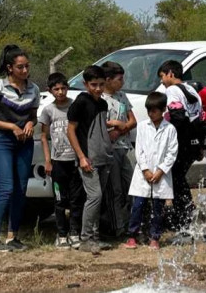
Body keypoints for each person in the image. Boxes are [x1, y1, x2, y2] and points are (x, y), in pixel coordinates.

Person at [0, 45, 41, 255]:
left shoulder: (34, 89)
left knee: (20, 189)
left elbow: (33, 116)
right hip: (1, 141)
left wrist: (32, 124)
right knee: (6, 187)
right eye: (20, 67)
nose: (25, 70)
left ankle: (13, 237)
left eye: (27, 66)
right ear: (10, 68)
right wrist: (12, 127)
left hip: (24, 143)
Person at [66, 65, 113, 253]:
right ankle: (85, 238)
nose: (98, 88)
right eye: (94, 85)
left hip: (103, 157)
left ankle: (95, 238)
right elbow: (70, 130)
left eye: (101, 84)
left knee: (98, 198)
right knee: (95, 196)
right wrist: (82, 157)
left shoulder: (103, 104)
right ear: (86, 84)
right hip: (88, 159)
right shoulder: (80, 102)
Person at [123, 92, 178, 250]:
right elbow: (139, 150)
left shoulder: (170, 129)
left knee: (157, 208)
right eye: (149, 111)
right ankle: (132, 235)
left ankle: (155, 237)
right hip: (143, 175)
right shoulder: (142, 127)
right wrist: (146, 170)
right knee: (138, 206)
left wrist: (160, 171)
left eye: (154, 110)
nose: (151, 114)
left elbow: (172, 152)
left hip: (161, 175)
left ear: (163, 110)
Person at [157, 60, 204, 235]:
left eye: (162, 76)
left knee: (176, 180)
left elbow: (178, 117)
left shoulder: (172, 91)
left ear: (170, 73)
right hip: (193, 142)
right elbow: (199, 117)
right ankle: (183, 216)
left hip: (181, 143)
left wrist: (170, 139)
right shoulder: (192, 90)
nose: (162, 81)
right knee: (179, 178)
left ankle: (183, 218)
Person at [39, 72, 85, 250]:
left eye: (63, 88)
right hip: (58, 162)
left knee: (76, 199)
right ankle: (62, 234)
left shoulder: (74, 107)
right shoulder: (48, 110)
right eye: (56, 89)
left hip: (74, 160)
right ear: (50, 90)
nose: (60, 92)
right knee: (59, 199)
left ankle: (74, 232)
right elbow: (44, 137)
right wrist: (48, 160)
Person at [101, 61, 136, 236]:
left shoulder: (122, 96)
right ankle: (117, 227)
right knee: (115, 190)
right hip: (110, 150)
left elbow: (132, 120)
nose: (122, 83)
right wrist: (113, 128)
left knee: (132, 186)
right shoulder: (100, 99)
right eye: (119, 79)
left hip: (125, 147)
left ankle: (133, 223)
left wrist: (121, 128)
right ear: (107, 80)